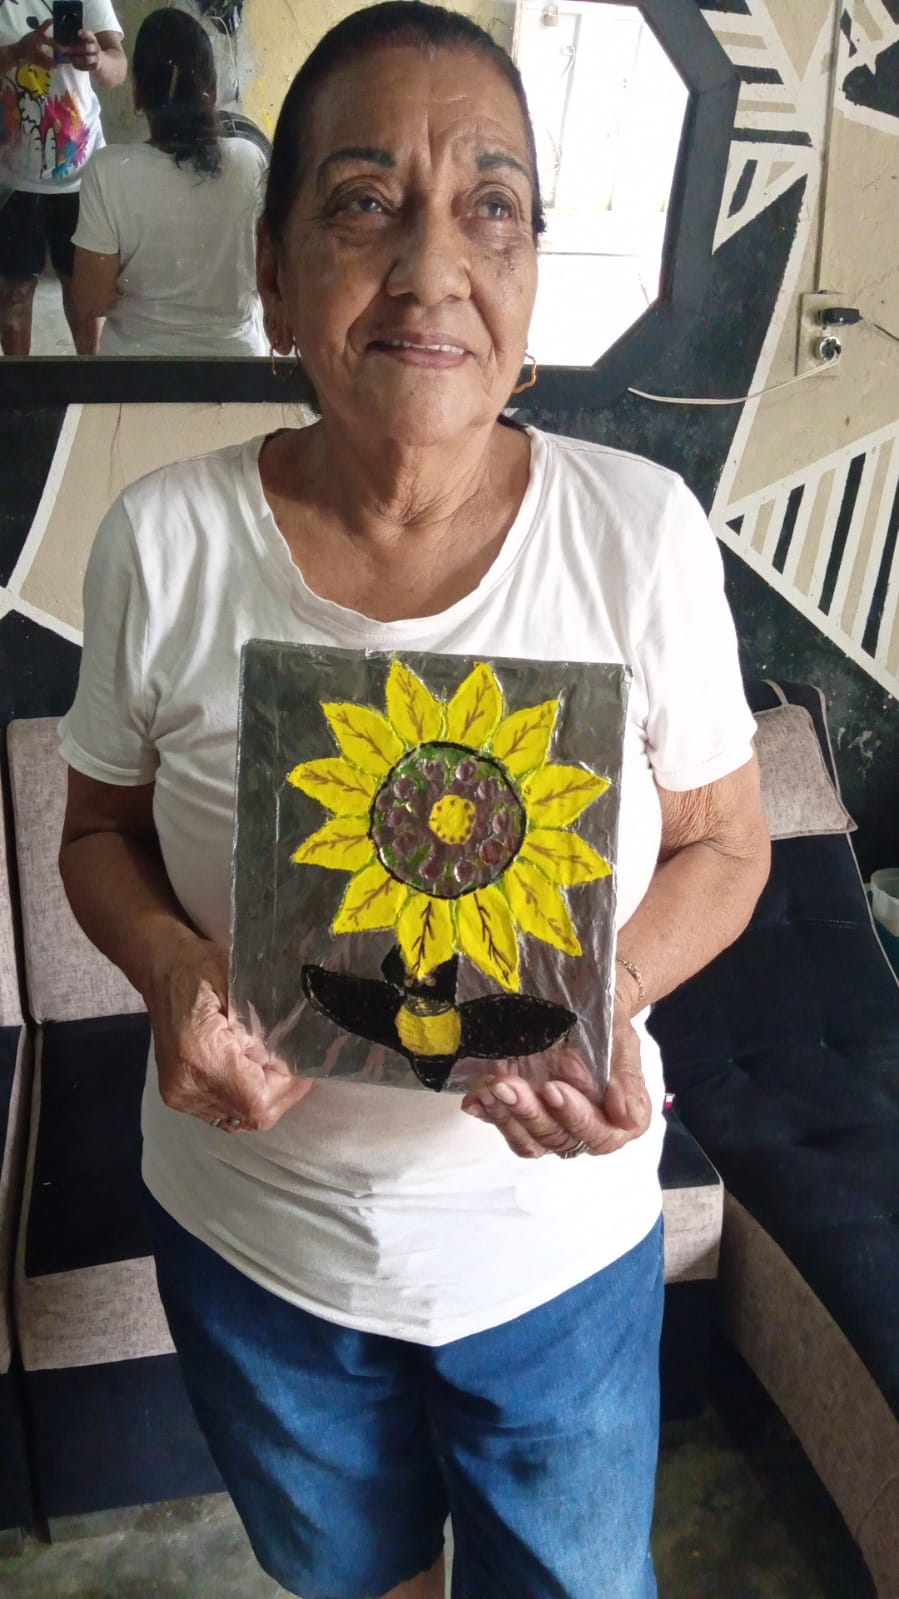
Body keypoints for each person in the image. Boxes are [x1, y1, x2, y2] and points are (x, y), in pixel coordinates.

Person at [57, 5, 771, 1596]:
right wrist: (172, 972)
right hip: (258, 1245)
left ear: (530, 274)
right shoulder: (163, 541)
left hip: (555, 1251)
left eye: (489, 206)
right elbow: (95, 830)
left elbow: (726, 842)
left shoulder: (638, 534)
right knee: (348, 1579)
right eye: (365, 201)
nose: (431, 264)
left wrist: (606, 995)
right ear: (273, 273)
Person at [70, 8, 266, 356]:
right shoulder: (249, 161)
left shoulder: (108, 171)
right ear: (212, 92)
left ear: (137, 94)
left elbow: (91, 300)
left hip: (136, 371)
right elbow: (273, 280)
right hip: (236, 367)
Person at [0, 0, 125, 356]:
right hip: (11, 178)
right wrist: (16, 53)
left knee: (84, 296)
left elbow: (118, 68)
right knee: (14, 296)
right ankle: (20, 388)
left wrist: (99, 60)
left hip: (82, 175)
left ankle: (89, 384)